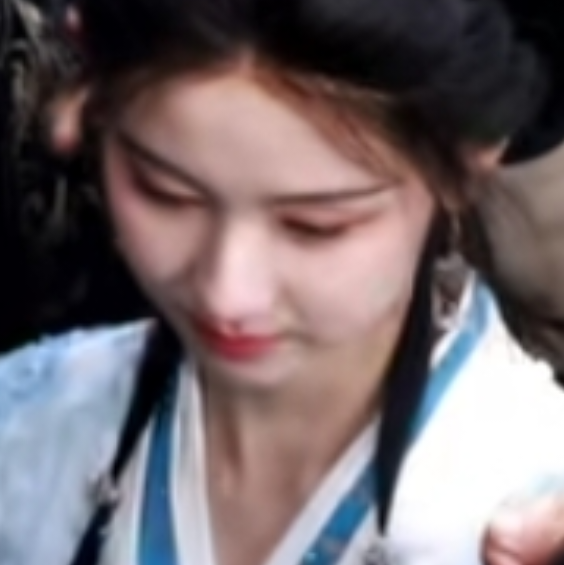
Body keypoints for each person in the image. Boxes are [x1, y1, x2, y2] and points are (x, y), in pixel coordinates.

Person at [4, 0, 564, 564]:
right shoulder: (29, 422)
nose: (228, 293)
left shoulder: (527, 490)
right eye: (165, 193)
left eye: (316, 226)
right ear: (90, 103)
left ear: (466, 161)